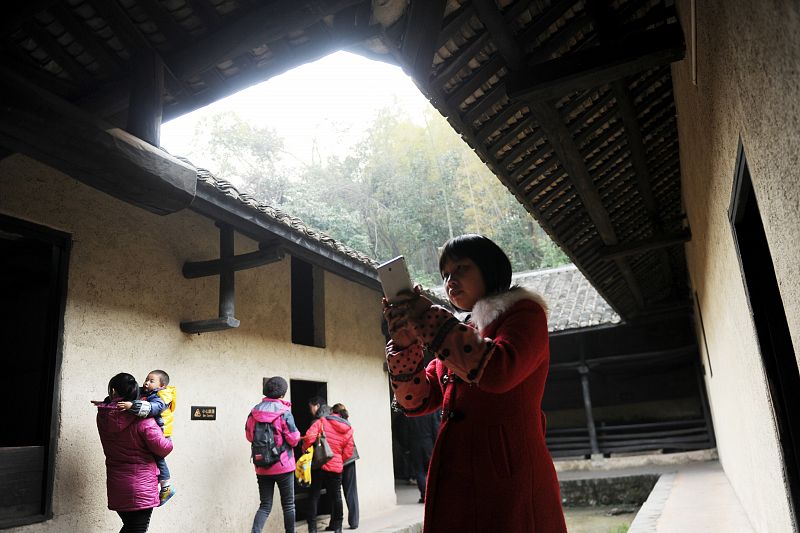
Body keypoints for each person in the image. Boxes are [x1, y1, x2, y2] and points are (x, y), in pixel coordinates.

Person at [382, 234, 568, 533]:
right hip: (457, 473)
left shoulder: (524, 315)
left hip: (508, 473)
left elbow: (498, 371)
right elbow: (416, 402)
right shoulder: (459, 333)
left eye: (461, 268)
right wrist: (405, 343)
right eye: (445, 275)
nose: (450, 280)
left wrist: (427, 316)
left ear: (490, 268)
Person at [95, 373, 173, 533]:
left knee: (131, 527)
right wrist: (168, 436)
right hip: (141, 486)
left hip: (117, 483)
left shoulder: (103, 415)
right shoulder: (144, 420)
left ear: (114, 391)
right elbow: (163, 448)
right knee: (136, 529)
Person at [245, 376, 302, 533]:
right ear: (282, 394)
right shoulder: (284, 413)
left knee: (265, 505)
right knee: (289, 505)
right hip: (283, 465)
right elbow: (294, 439)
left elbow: (249, 436)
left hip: (261, 466)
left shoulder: (254, 412)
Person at [117, 369, 177, 505]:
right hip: (155, 432)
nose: (146, 383)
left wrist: (133, 405)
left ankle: (166, 486)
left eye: (151, 381)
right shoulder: (148, 392)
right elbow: (129, 392)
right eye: (146, 379)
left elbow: (152, 408)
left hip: (162, 434)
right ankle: (163, 485)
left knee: (158, 458)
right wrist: (109, 400)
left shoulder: (162, 397)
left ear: (162, 385)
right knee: (153, 458)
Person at [303, 397, 354, 533]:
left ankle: (312, 528)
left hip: (319, 464)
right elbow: (348, 452)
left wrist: (305, 451)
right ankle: (338, 527)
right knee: (336, 496)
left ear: (332, 412)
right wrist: (337, 459)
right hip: (336, 467)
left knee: (314, 495)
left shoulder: (322, 421)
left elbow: (309, 438)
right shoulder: (348, 429)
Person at [329, 403, 359, 530]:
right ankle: (354, 521)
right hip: (350, 459)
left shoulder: (329, 421)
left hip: (335, 460)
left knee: (335, 493)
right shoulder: (346, 422)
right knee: (351, 491)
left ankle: (334, 523)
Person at [403, 410, 440, 503]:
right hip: (428, 444)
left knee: (419, 471)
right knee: (431, 471)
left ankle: (424, 495)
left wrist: (407, 446)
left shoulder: (410, 414)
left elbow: (406, 431)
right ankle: (432, 494)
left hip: (414, 444)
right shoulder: (431, 412)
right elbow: (435, 428)